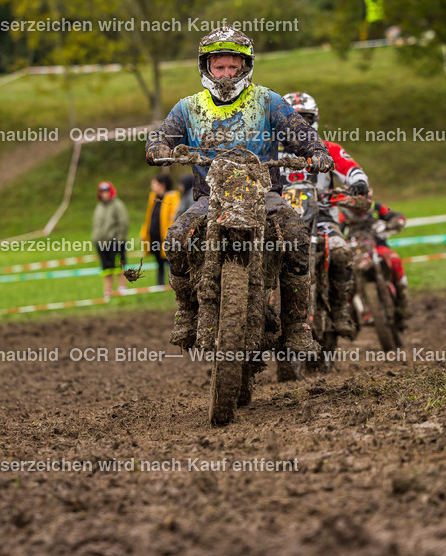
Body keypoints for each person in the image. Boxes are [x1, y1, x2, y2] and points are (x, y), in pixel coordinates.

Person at [145, 27, 334, 352]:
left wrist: (316, 151)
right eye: (220, 67)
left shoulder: (268, 100)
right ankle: (187, 312)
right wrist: (158, 147)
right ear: (206, 67)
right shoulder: (188, 107)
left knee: (297, 236)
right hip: (210, 198)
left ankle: (296, 325)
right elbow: (162, 135)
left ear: (246, 66)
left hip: (265, 195)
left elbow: (298, 131)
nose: (226, 74)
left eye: (233, 66)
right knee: (176, 237)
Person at [279, 91, 371, 340]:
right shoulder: (270, 151)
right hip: (280, 220)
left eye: (305, 118)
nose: (300, 124)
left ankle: (340, 309)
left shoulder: (327, 148)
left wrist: (358, 183)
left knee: (340, 251)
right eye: (293, 118)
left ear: (315, 120)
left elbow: (351, 168)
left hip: (322, 218)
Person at [341, 199, 410, 332]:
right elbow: (337, 228)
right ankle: (347, 313)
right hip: (357, 251)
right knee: (344, 273)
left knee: (394, 260)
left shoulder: (376, 207)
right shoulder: (345, 214)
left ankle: (402, 297)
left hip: (378, 246)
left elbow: (394, 215)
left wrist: (397, 221)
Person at [91, 181, 130, 298]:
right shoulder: (99, 206)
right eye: (102, 192)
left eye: (107, 191)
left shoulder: (118, 205)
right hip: (101, 243)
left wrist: (119, 239)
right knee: (106, 269)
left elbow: (124, 222)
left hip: (115, 242)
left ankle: (122, 289)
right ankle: (107, 292)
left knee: (119, 267)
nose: (105, 194)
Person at [140, 174, 179, 286]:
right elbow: (149, 217)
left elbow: (173, 217)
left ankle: (173, 284)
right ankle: (160, 284)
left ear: (162, 185)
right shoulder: (154, 198)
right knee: (159, 261)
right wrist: (144, 232)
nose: (152, 186)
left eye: (154, 184)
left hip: (166, 236)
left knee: (170, 261)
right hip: (154, 235)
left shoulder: (172, 197)